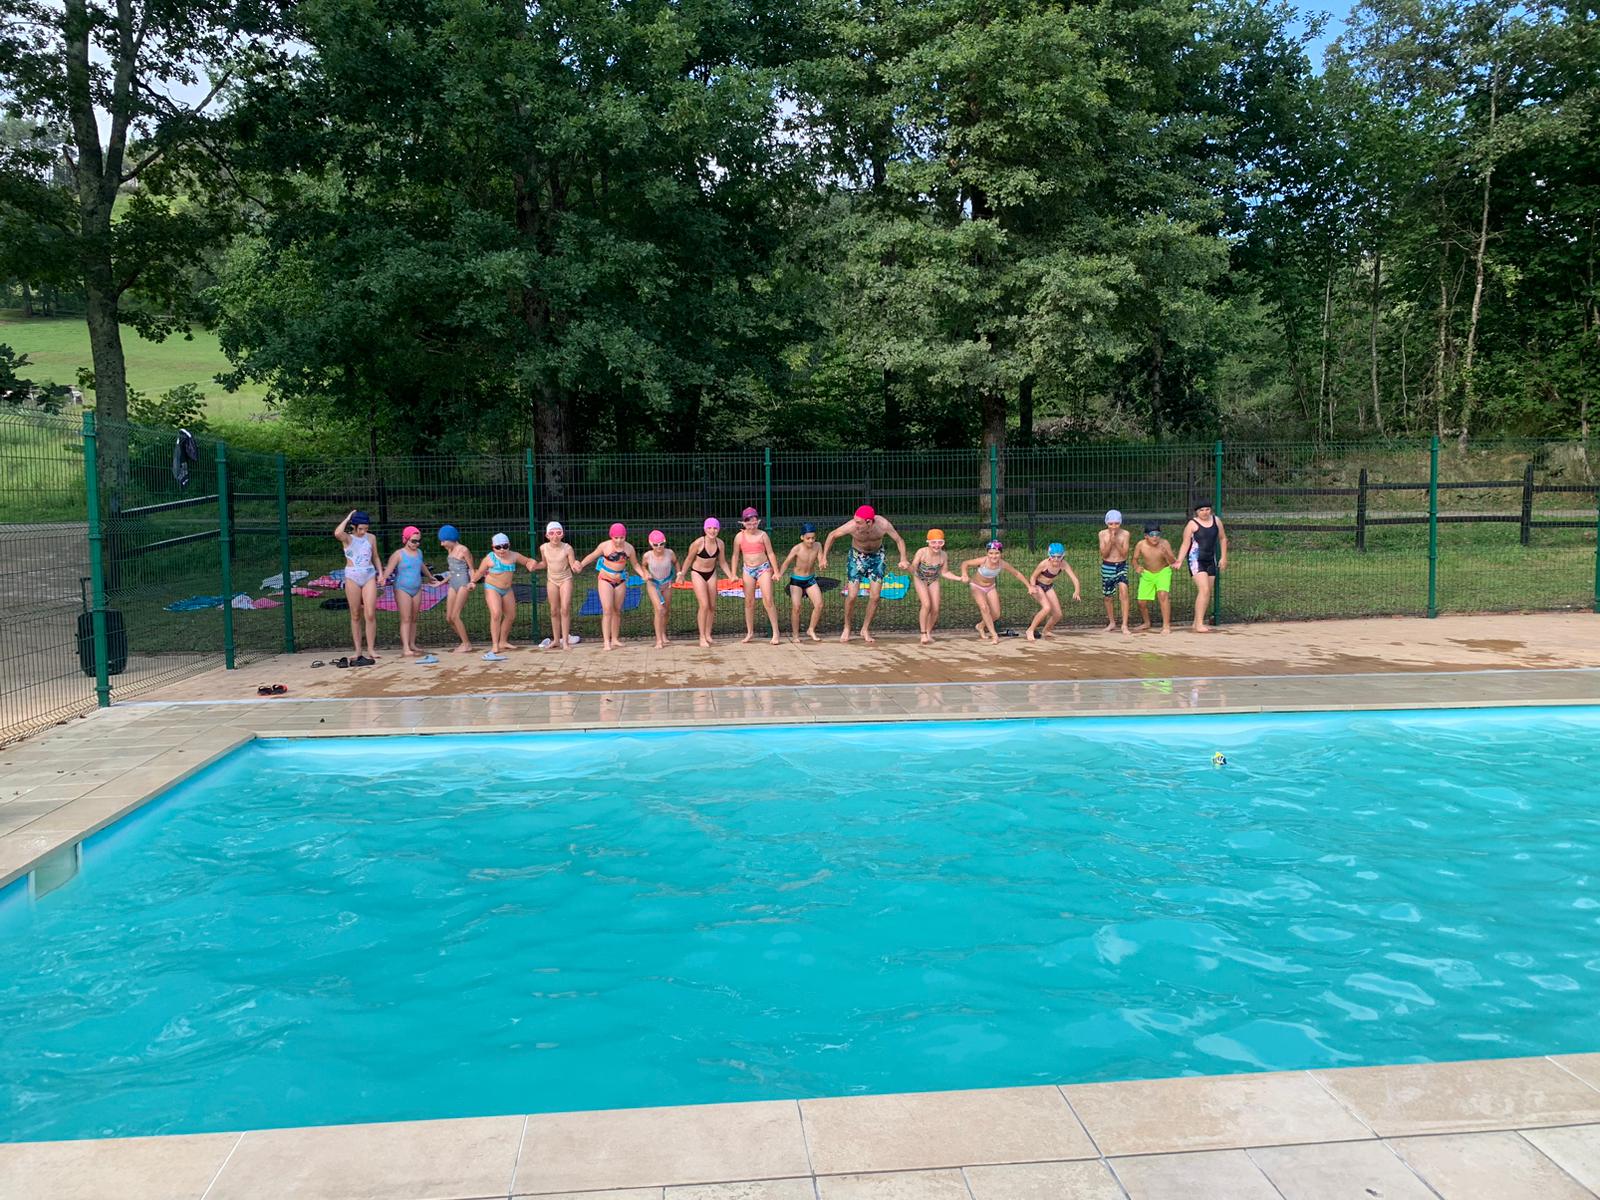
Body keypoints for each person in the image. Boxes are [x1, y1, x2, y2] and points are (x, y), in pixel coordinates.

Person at [820, 504, 910, 644]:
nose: (856, 524)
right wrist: (824, 557)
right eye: (855, 521)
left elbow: (899, 540)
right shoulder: (851, 526)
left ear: (869, 522)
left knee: (875, 597)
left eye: (859, 522)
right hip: (857, 558)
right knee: (852, 595)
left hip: (877, 558)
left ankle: (865, 629)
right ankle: (847, 627)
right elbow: (832, 535)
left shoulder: (883, 525)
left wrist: (903, 558)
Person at [378, 525, 446, 657]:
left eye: (418, 541)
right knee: (406, 618)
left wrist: (430, 576)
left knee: (414, 618)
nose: (416, 544)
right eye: (413, 541)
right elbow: (389, 569)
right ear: (406, 539)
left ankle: (412, 644)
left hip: (417, 588)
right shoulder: (398, 554)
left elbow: (421, 565)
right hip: (402, 588)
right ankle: (405, 647)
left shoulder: (419, 552)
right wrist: (383, 578)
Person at [471, 532, 541, 660]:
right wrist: (472, 582)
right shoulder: (489, 559)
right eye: (498, 547)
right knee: (496, 614)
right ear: (493, 547)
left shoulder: (514, 556)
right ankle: (495, 645)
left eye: (505, 546)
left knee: (510, 615)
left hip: (507, 589)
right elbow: (480, 572)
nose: (502, 550)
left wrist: (531, 564)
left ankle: (503, 641)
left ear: (509, 545)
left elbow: (527, 561)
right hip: (492, 588)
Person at [578, 523, 646, 651]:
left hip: (620, 580)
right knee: (607, 610)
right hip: (605, 579)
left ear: (625, 536)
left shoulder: (629, 548)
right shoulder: (605, 546)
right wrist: (581, 565)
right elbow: (592, 556)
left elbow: (635, 564)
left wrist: (643, 574)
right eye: (616, 538)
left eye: (622, 537)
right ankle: (606, 641)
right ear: (611, 537)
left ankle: (615, 639)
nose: (619, 541)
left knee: (617, 610)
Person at [959, 540, 1031, 644]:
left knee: (996, 614)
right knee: (984, 607)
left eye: (997, 553)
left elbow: (1017, 573)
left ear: (1001, 553)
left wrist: (1029, 586)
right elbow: (965, 563)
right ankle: (994, 635)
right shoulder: (983, 561)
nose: (994, 556)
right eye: (991, 553)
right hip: (977, 586)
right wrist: (964, 574)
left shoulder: (1002, 564)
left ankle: (980, 626)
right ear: (987, 553)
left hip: (990, 587)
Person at [1173, 499, 1229, 633]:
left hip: (1211, 560)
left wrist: (1224, 557)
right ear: (1196, 512)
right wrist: (1179, 560)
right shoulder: (1192, 524)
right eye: (1201, 510)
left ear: (1211, 510)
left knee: (1207, 592)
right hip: (1196, 560)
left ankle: (1196, 622)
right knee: (1204, 590)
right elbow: (1185, 543)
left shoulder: (1216, 521)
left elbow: (1223, 538)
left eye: (1207, 509)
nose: (1205, 512)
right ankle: (1199, 624)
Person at [729, 507, 782, 645]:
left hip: (763, 568)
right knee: (749, 601)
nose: (752, 527)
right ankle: (750, 632)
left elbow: (770, 553)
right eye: (749, 524)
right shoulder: (739, 537)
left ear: (758, 522)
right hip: (748, 569)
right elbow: (735, 555)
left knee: (768, 600)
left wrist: (776, 571)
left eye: (754, 523)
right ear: (743, 523)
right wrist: (733, 573)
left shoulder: (763, 535)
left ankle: (776, 632)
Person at [333, 509, 380, 663]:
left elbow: (375, 556)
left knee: (370, 613)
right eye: (360, 529)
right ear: (354, 526)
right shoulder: (348, 538)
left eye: (366, 528)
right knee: (355, 614)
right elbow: (337, 533)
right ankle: (358, 649)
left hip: (368, 575)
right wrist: (348, 518)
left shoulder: (371, 538)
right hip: (352, 576)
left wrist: (381, 573)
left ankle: (371, 648)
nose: (363, 532)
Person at [678, 518, 729, 647]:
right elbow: (689, 559)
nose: (712, 531)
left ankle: (708, 634)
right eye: (709, 528)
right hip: (697, 573)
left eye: (715, 528)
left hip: (711, 573)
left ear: (718, 529)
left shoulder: (720, 543)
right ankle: (701, 637)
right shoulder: (698, 543)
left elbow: (722, 562)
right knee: (704, 605)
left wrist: (731, 575)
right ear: (705, 529)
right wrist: (682, 574)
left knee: (712, 606)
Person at [908, 529, 961, 644]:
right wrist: (907, 566)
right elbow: (913, 568)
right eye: (933, 542)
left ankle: (928, 632)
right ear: (928, 542)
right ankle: (923, 633)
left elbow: (945, 572)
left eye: (940, 542)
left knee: (935, 609)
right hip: (920, 578)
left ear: (943, 543)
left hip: (933, 579)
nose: (937, 545)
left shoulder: (943, 555)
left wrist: (959, 578)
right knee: (926, 604)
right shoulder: (922, 552)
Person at [777, 523, 826, 642]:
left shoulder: (818, 545)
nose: (811, 541)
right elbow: (786, 562)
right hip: (797, 580)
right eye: (808, 538)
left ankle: (811, 629)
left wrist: (822, 562)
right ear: (802, 537)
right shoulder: (797, 548)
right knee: (796, 607)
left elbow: (820, 558)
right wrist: (779, 574)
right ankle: (795, 635)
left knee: (819, 604)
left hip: (810, 579)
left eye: (813, 538)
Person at [537, 521, 581, 650]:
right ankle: (556, 640)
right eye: (551, 533)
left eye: (558, 533)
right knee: (553, 610)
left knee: (565, 608)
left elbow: (572, 565)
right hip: (552, 580)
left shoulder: (567, 548)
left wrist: (577, 566)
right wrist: (534, 565)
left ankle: (565, 641)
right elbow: (544, 564)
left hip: (565, 579)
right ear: (547, 535)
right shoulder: (543, 548)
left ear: (562, 534)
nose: (555, 536)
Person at [1026, 542, 1082, 641]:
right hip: (1038, 585)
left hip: (1048, 587)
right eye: (1053, 556)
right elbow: (1033, 577)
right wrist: (1033, 587)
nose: (1056, 559)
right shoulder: (1044, 564)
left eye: (1059, 557)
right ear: (1049, 555)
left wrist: (1077, 591)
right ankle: (1030, 630)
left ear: (1063, 556)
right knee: (1046, 608)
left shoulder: (1064, 564)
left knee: (1058, 614)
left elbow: (1074, 578)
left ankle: (1046, 630)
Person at [1131, 522, 1178, 634]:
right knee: (1141, 602)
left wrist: (1166, 554)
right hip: (1147, 573)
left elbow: (1173, 562)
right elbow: (1134, 559)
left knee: (1163, 595)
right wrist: (1136, 567)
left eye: (1157, 534)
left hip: (1163, 571)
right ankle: (1146, 622)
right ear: (1146, 536)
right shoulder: (1141, 545)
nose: (1155, 537)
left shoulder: (1164, 544)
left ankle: (1166, 625)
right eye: (1152, 535)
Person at [437, 525, 475, 653]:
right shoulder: (450, 549)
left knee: (455, 615)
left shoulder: (464, 550)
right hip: (453, 583)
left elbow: (472, 569)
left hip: (463, 583)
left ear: (450, 538)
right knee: (449, 617)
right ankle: (464, 641)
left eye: (443, 541)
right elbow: (452, 571)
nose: (442, 544)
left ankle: (466, 644)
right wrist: (441, 582)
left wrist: (472, 582)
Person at [641, 530, 677, 649]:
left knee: (666, 610)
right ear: (651, 544)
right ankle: (658, 640)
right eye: (655, 545)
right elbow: (643, 566)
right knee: (659, 609)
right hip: (653, 584)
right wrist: (646, 572)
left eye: (661, 544)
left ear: (664, 542)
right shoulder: (647, 556)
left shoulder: (670, 553)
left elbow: (676, 563)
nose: (659, 547)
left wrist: (679, 574)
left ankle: (663, 633)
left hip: (666, 583)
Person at [1098, 509, 1132, 636]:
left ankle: (1124, 624)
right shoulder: (1102, 534)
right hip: (1108, 566)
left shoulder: (1125, 534)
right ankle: (1112, 622)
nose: (1114, 526)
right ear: (1107, 523)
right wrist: (1110, 542)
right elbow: (1104, 554)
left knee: (1124, 591)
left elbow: (1124, 554)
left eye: (1116, 523)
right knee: (1108, 596)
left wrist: (1116, 542)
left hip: (1121, 565)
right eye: (1111, 524)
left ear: (1120, 523)